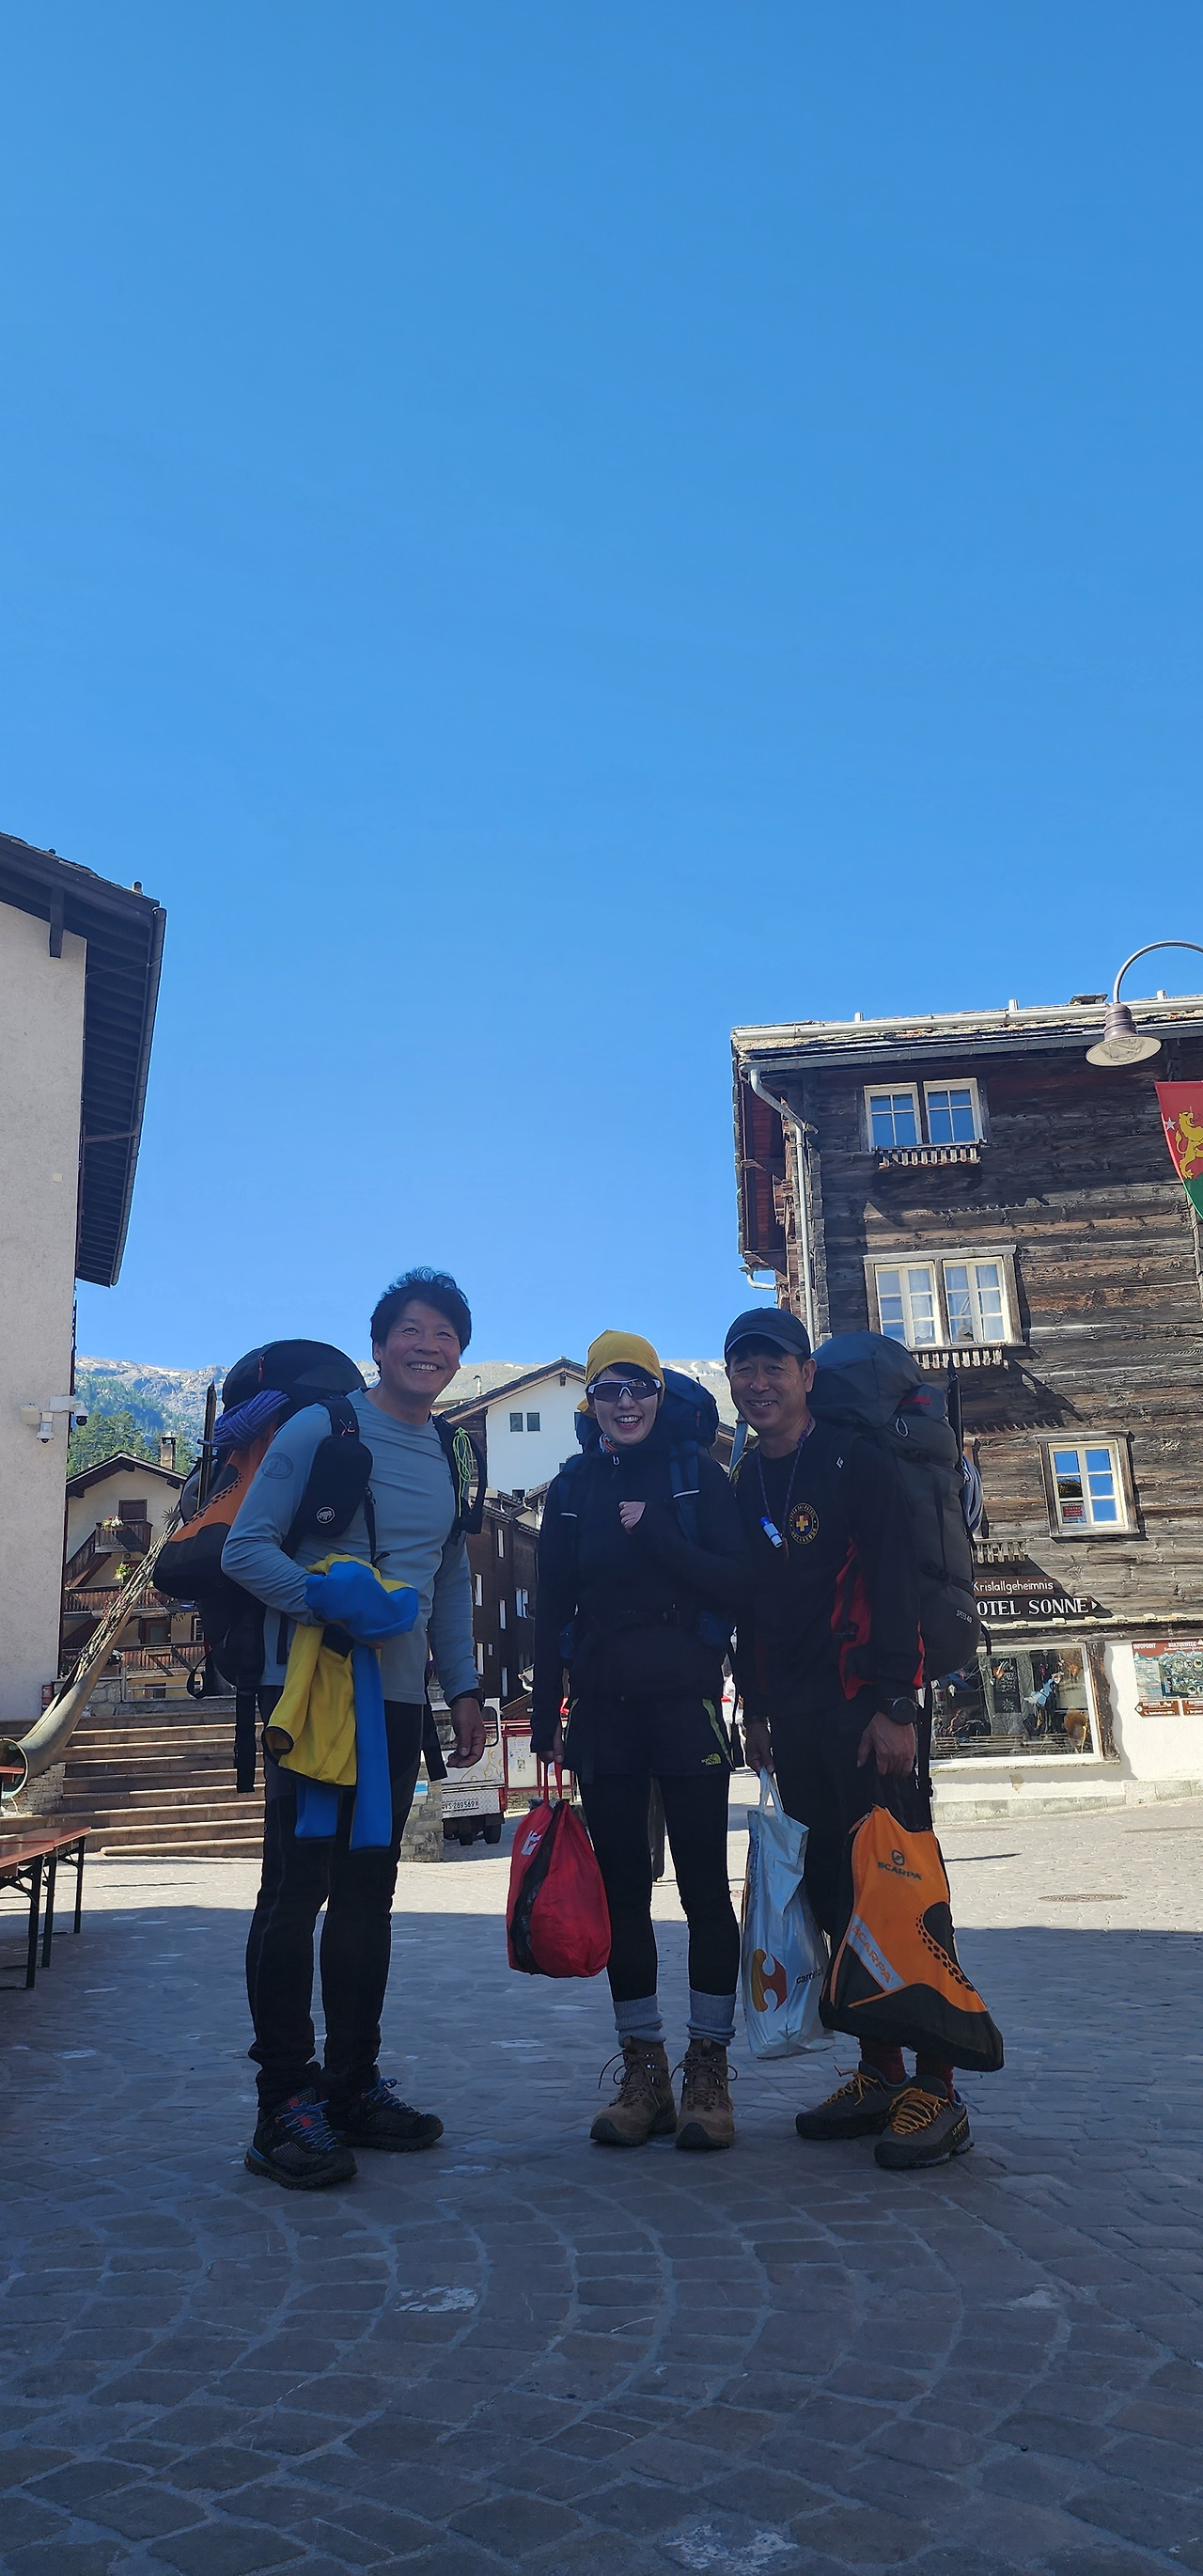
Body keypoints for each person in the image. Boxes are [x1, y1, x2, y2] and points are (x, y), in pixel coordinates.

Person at [223, 1268, 486, 2190]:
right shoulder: (321, 1427)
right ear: (379, 1346)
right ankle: (282, 2103)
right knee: (297, 1889)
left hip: (397, 1701)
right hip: (309, 1690)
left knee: (370, 1892)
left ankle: (349, 2084)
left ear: (458, 1354)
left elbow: (449, 1576)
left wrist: (464, 1687)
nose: (428, 1346)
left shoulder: (452, 1450)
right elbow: (245, 1549)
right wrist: (329, 1606)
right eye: (411, 1330)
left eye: (445, 1335)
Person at [726, 1306, 973, 2171]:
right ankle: (879, 2072)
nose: (759, 1383)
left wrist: (898, 1704)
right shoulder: (745, 1478)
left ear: (807, 1375)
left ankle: (939, 2089)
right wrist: (756, 1711)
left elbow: (894, 1576)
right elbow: (752, 1608)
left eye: (774, 1367)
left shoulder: (852, 1458)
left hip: (869, 1709)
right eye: (744, 1369)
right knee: (836, 1893)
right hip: (796, 1720)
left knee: (901, 1894)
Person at [532, 1331, 751, 2152]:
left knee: (704, 1891)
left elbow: (739, 1585)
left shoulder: (699, 1478)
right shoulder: (572, 1488)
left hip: (685, 1706)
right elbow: (551, 1605)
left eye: (639, 1387)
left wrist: (659, 1533)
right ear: (590, 1401)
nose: (626, 1404)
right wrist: (546, 1717)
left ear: (660, 1394)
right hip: (603, 1713)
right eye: (609, 1390)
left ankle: (708, 2073)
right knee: (623, 1895)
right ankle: (644, 2074)